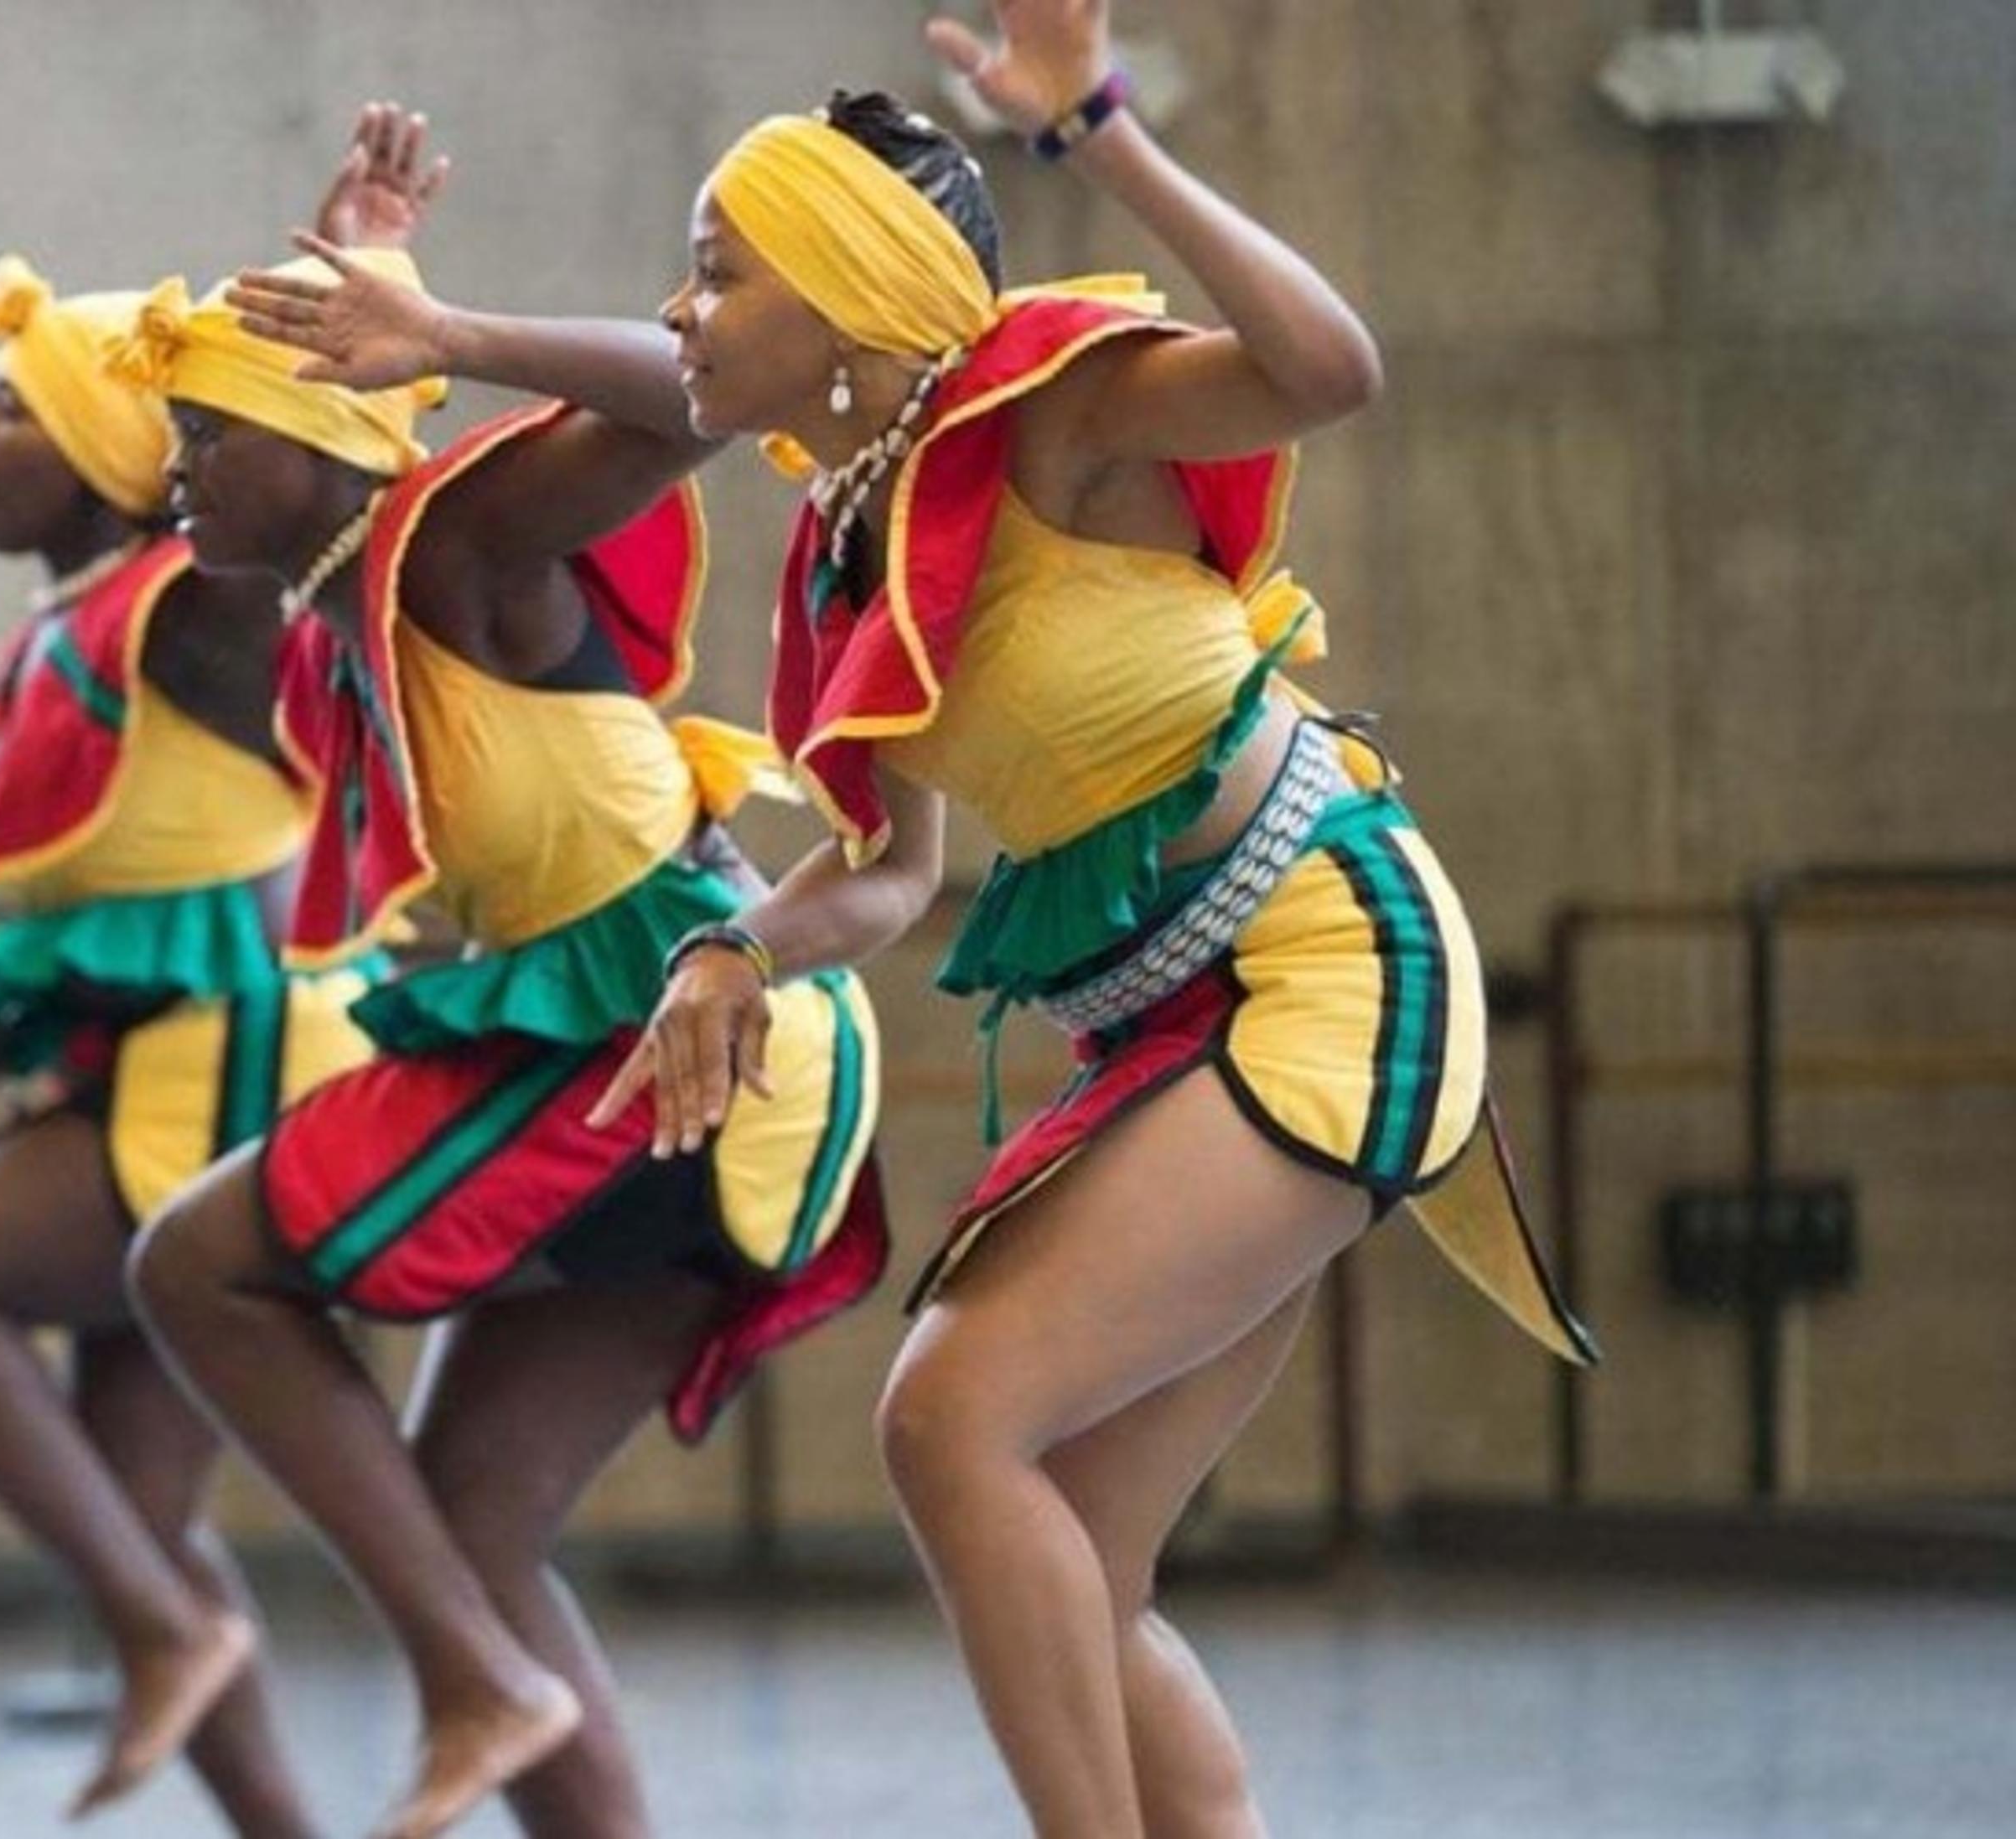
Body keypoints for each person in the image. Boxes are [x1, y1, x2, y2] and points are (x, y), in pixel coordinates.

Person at [229, 8, 1596, 1832]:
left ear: (856, 288)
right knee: (1080, 1577)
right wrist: (730, 945)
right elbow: (880, 869)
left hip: (1331, 958)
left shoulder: (1055, 413)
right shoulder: (849, 548)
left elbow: (1328, 369)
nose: (686, 310)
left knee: (949, 1423)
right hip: (1169, 1014)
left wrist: (1098, 128)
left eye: (719, 270)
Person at [115, 177, 889, 1839]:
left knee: (193, 1258)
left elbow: (681, 391)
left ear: (314, 436)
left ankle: (474, 1678)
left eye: (202, 438)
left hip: (691, 1030)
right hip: (659, 1049)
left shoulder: (452, 546)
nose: (173, 471)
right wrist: (371, 292)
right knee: (473, 1512)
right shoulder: (337, 623)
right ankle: (487, 1667)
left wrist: (446, 334)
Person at [0, 106, 444, 1834]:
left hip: (225, 1056)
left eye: (16, 405)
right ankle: (214, 1703)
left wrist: (346, 301)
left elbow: (341, 550)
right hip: (145, 1051)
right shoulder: (89, 607)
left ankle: (167, 1622)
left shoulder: (194, 598)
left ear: (120, 452)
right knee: (139, 1504)